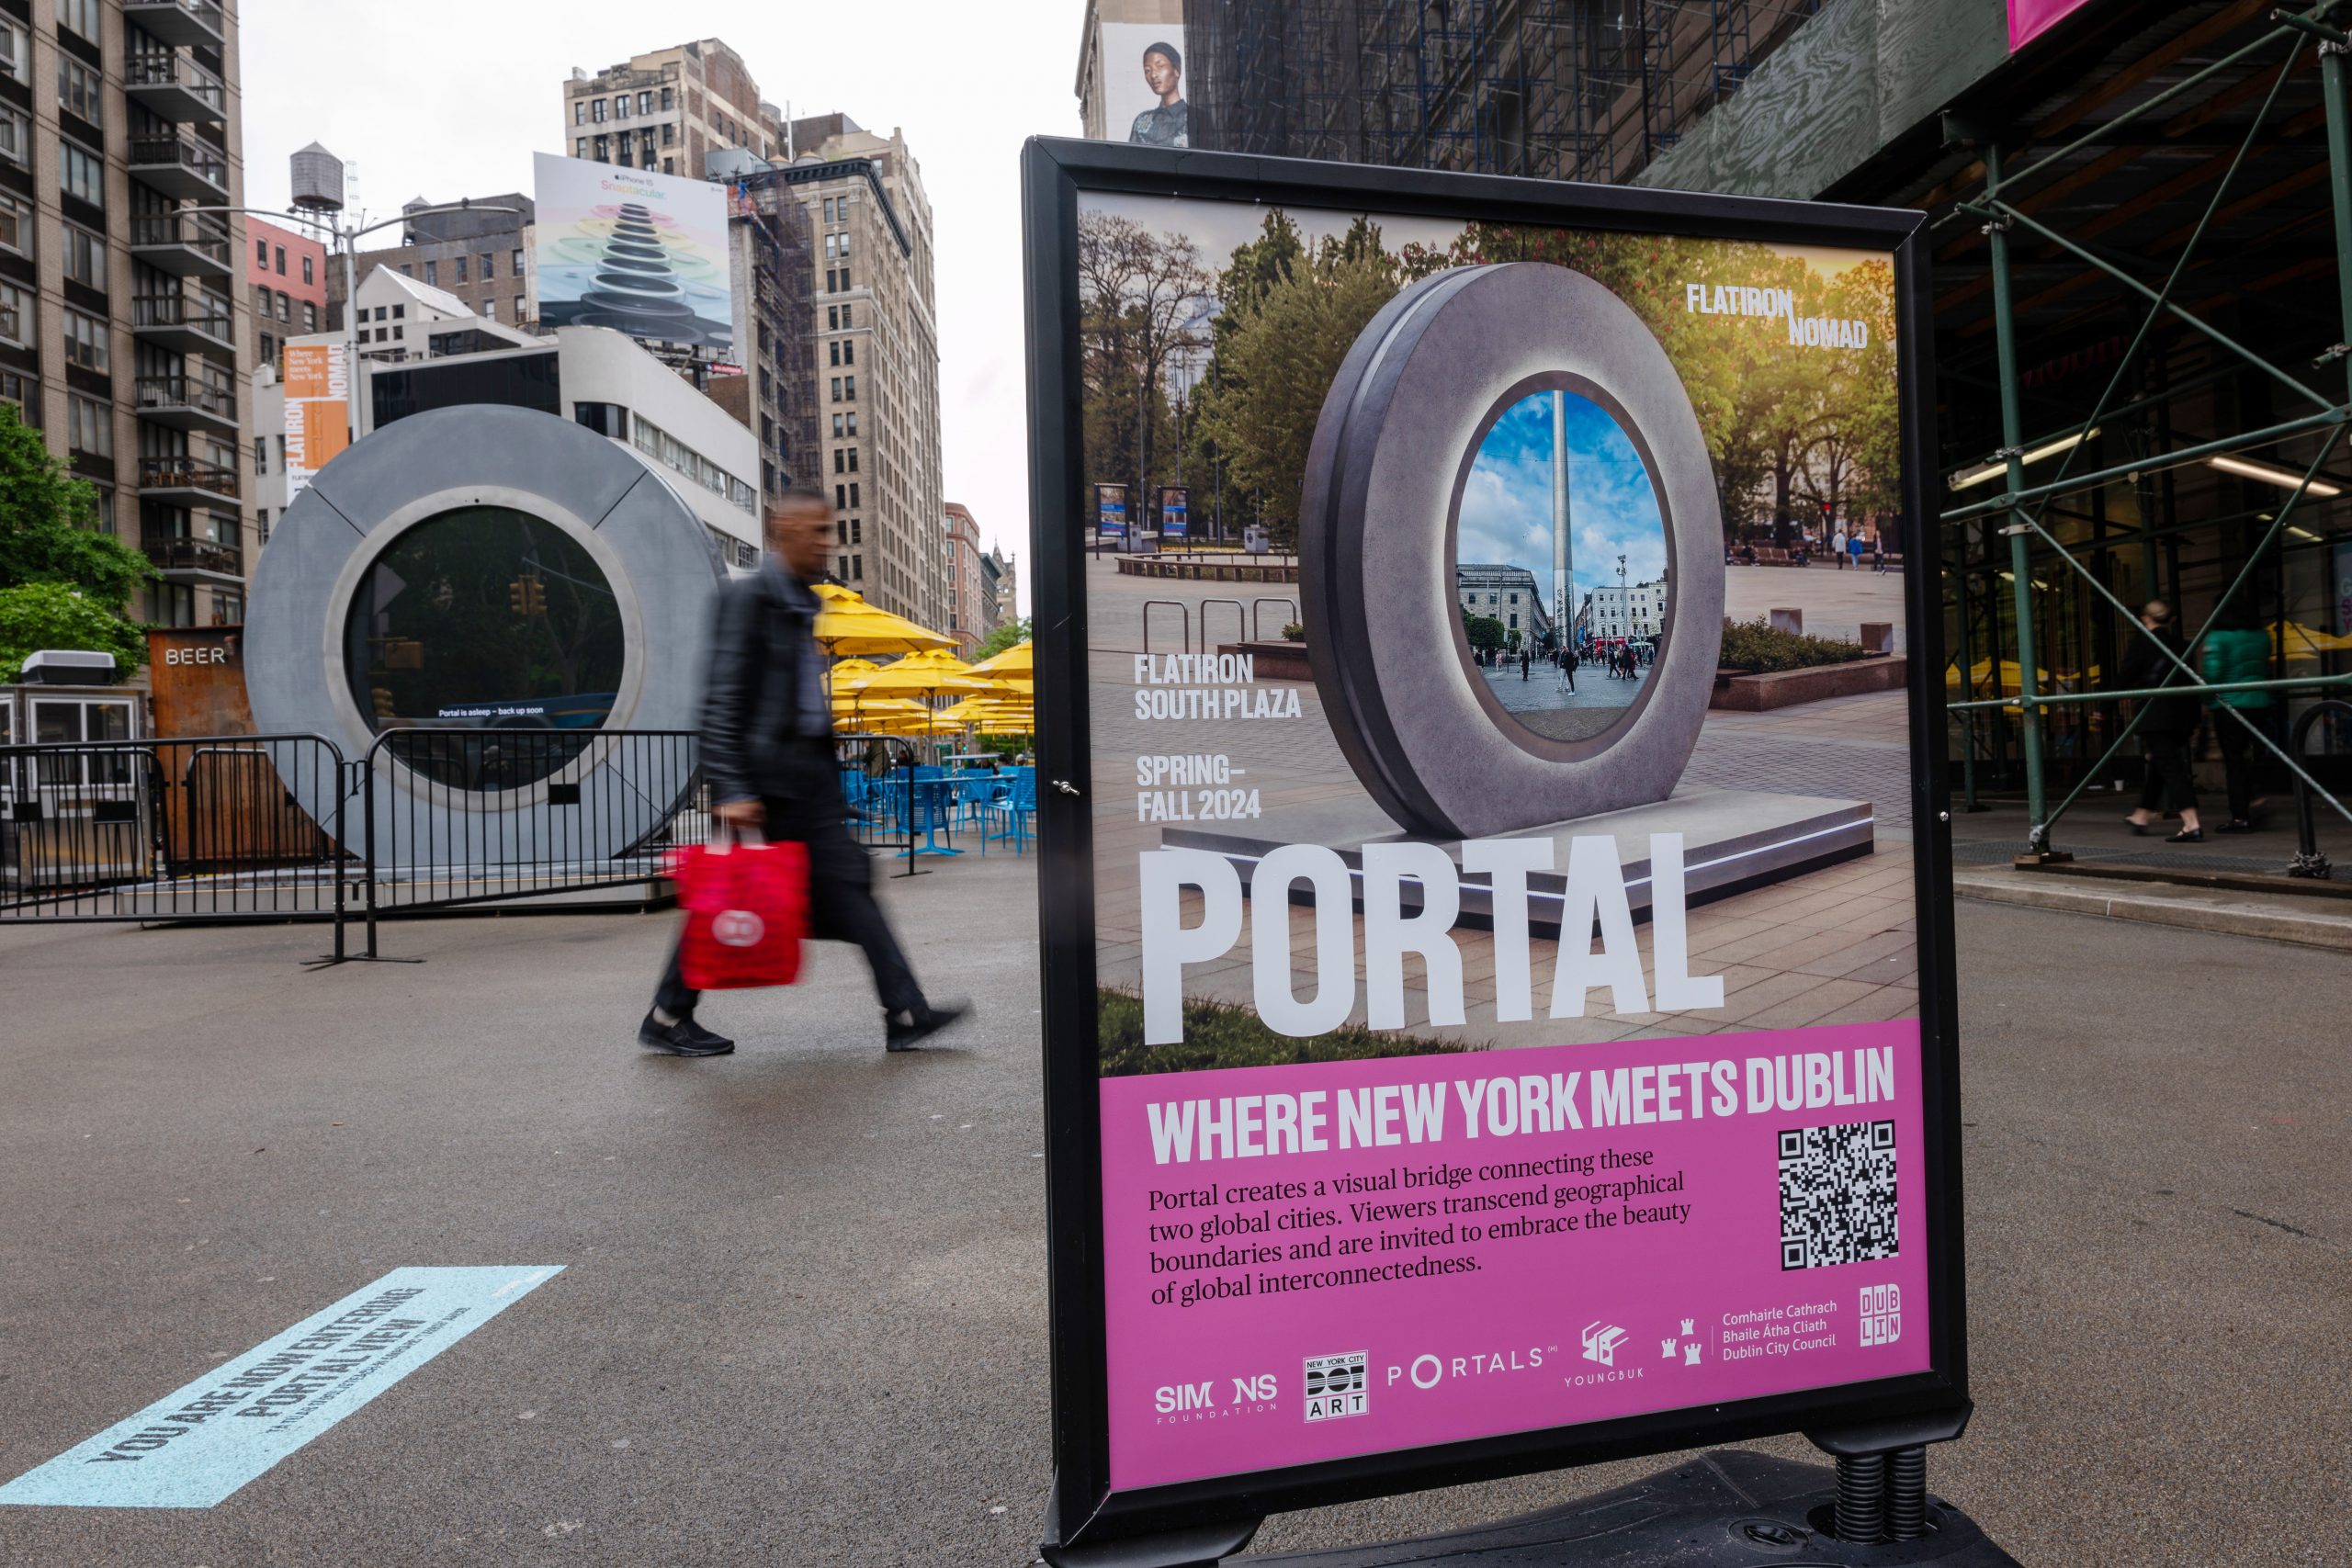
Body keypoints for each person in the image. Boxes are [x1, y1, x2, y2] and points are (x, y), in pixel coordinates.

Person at [642, 490, 968, 1056]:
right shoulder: (748, 601)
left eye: (829, 530)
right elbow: (720, 701)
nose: (827, 542)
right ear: (782, 531)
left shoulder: (799, 604)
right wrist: (735, 786)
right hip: (769, 786)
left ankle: (905, 1011)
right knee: (731, 891)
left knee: (842, 886)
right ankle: (670, 1014)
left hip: (808, 782)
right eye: (816, 530)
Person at [2116, 598, 2204, 843]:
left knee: (2170, 767)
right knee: (2160, 763)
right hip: (2182, 715)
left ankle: (2191, 822)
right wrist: (2195, 720)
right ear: (2172, 619)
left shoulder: (2142, 644)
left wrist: (2104, 704)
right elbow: (2191, 683)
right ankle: (2141, 814)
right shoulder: (2182, 645)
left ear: (2146, 619)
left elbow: (2125, 677)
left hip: (2155, 716)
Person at [2200, 602, 2270, 834]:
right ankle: (2257, 798)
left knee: (2234, 760)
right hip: (2260, 702)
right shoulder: (2262, 636)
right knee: (2255, 755)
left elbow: (2212, 673)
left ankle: (2240, 816)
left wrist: (2209, 702)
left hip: (2229, 705)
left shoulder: (2217, 638)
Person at [1128, 41, 1190, 147]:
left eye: (1160, 66)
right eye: (1147, 70)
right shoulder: (1142, 121)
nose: (1153, 75)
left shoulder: (1194, 117)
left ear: (1176, 71)